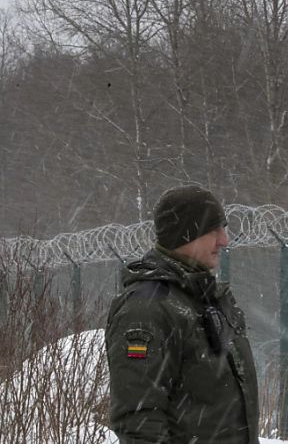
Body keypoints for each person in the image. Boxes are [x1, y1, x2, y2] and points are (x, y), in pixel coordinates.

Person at [105, 185, 259, 444]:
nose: (224, 240)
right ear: (186, 234)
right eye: (214, 230)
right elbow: (139, 421)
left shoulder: (204, 299)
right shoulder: (147, 309)